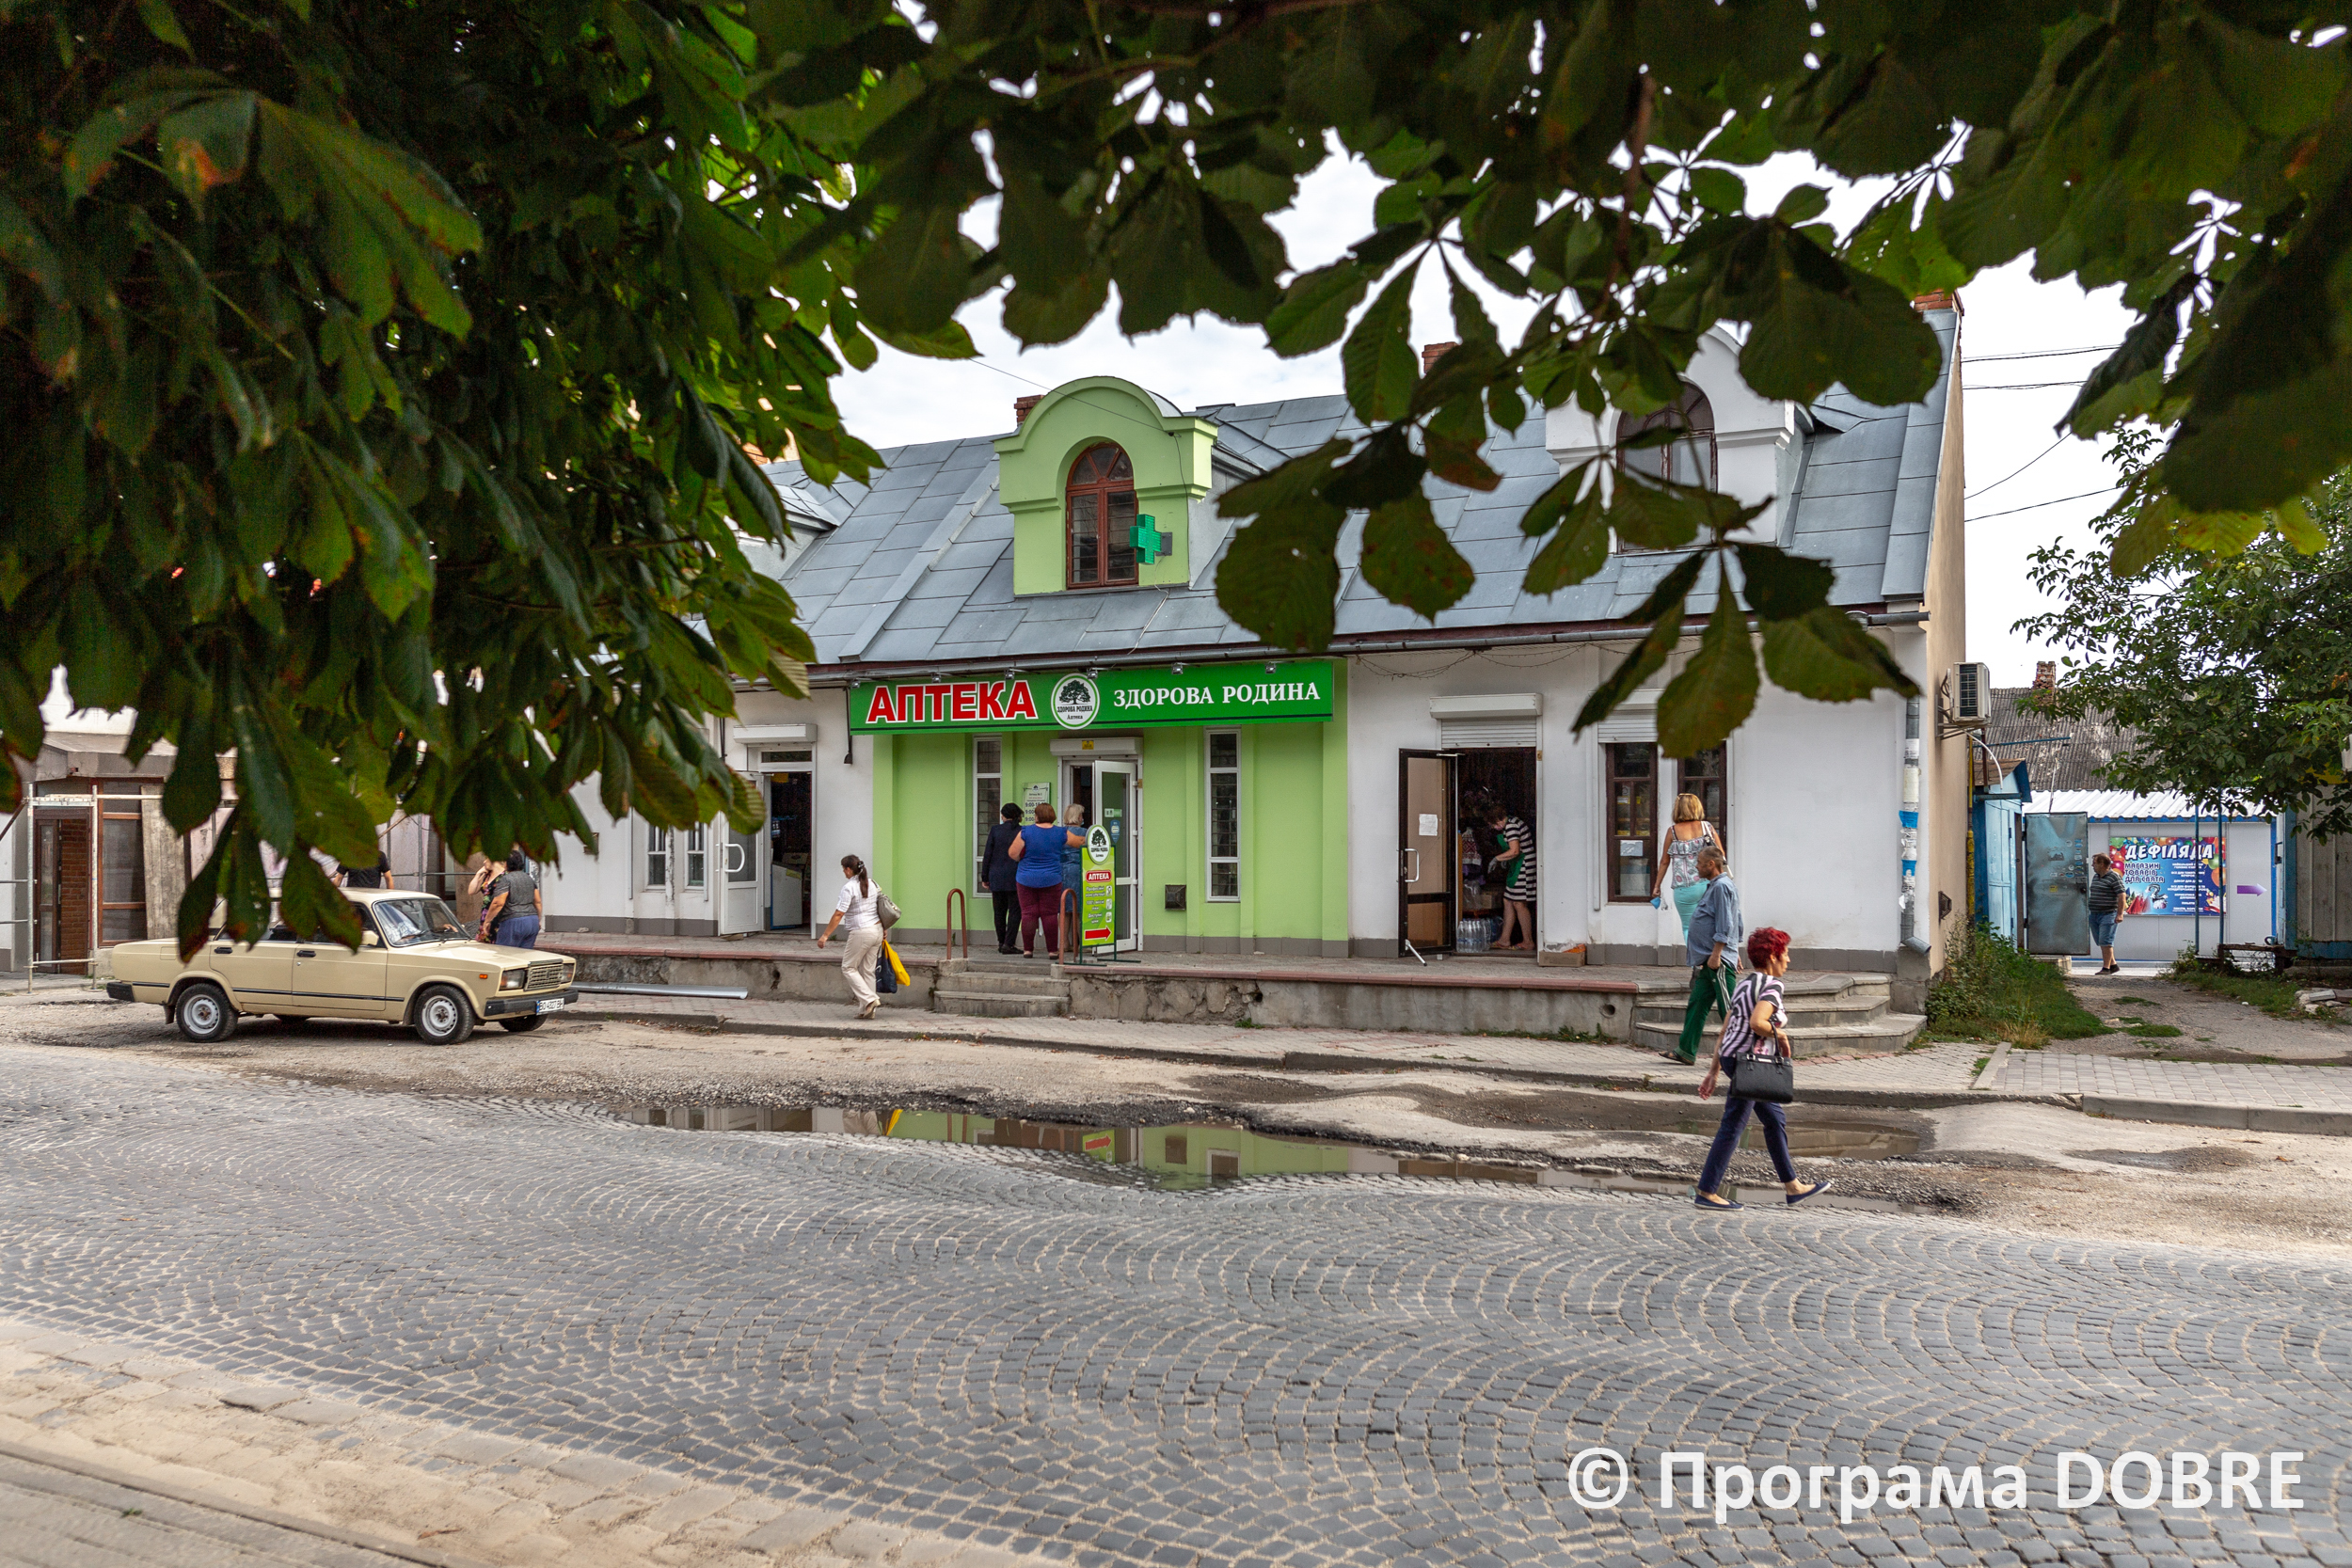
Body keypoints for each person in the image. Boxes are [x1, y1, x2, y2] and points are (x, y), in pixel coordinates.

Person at [1692, 927, 1833, 1210]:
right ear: (1772, 956)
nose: (1788, 960)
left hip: (1735, 1058)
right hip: (1750, 1064)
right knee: (1733, 1125)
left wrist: (1713, 1070)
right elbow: (1757, 1023)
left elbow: (1726, 1029)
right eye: (1785, 954)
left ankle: (1793, 1187)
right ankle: (1706, 1192)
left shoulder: (1744, 984)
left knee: (1774, 1119)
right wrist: (1781, 1035)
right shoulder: (1771, 986)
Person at [1671, 846, 1740, 1065]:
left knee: (1729, 1008)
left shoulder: (1721, 887)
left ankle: (1742, 1053)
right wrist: (1733, 949)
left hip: (1717, 961)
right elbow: (1735, 919)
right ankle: (1685, 1050)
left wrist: (1719, 953)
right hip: (1711, 959)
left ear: (1711, 864)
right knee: (1697, 1003)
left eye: (1699, 863)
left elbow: (1726, 922)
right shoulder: (1717, 886)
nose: (1696, 867)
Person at [814, 854, 887, 1020]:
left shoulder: (849, 888)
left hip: (861, 931)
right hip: (877, 929)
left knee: (848, 967)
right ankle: (866, 1010)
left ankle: (870, 999)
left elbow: (839, 913)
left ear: (848, 869)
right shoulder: (873, 883)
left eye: (843, 869)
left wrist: (825, 936)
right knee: (868, 971)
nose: (843, 872)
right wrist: (884, 927)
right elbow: (880, 906)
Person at [1007, 802, 1078, 958]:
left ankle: (1028, 950)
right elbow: (1079, 843)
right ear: (1052, 815)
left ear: (1036, 816)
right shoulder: (1060, 832)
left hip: (1026, 878)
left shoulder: (1025, 831)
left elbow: (1012, 853)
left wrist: (1021, 859)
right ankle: (1052, 951)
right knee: (1050, 914)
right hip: (1051, 878)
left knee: (1028, 914)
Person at [1650, 793, 1724, 933]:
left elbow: (1664, 861)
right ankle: (1713, 948)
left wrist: (1657, 886)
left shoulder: (1672, 832)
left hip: (1684, 887)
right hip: (1709, 883)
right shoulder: (1707, 827)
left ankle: (1693, 949)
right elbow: (1720, 854)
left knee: (1688, 928)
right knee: (1712, 925)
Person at [1483, 799, 1535, 950]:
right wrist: (1506, 859)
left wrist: (1497, 859)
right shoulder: (1512, 823)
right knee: (1508, 900)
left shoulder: (1511, 826)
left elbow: (1515, 850)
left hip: (1524, 867)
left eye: (1492, 824)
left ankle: (1528, 941)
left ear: (1498, 820)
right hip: (1517, 866)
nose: (1493, 827)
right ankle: (1504, 940)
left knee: (1519, 903)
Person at [980, 802, 1024, 955]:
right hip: (1016, 876)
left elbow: (988, 854)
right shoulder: (1021, 831)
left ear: (1003, 816)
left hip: (996, 875)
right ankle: (1009, 943)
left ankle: (1001, 941)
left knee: (999, 912)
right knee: (1015, 911)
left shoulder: (995, 830)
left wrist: (984, 876)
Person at [479, 850, 542, 947]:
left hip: (513, 922)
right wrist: (538, 919)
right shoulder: (529, 878)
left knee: (505, 953)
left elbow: (498, 903)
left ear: (506, 863)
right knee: (525, 954)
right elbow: (537, 901)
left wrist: (487, 921)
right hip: (532, 921)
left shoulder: (506, 879)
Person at [2087, 851, 2126, 975]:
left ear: (2102, 864)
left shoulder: (2114, 876)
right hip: (2095, 913)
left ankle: (2106, 968)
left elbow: (2122, 895)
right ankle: (2113, 965)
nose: (2092, 866)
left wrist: (2120, 914)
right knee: (2100, 941)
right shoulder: (2096, 877)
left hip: (2108, 913)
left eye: (2094, 863)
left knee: (2106, 941)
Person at [1057, 803, 1089, 959]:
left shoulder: (1060, 833)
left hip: (1061, 871)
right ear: (1078, 817)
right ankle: (1082, 944)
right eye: (1081, 815)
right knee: (1079, 909)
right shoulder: (1086, 833)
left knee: (1064, 909)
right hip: (1079, 871)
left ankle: (1064, 943)